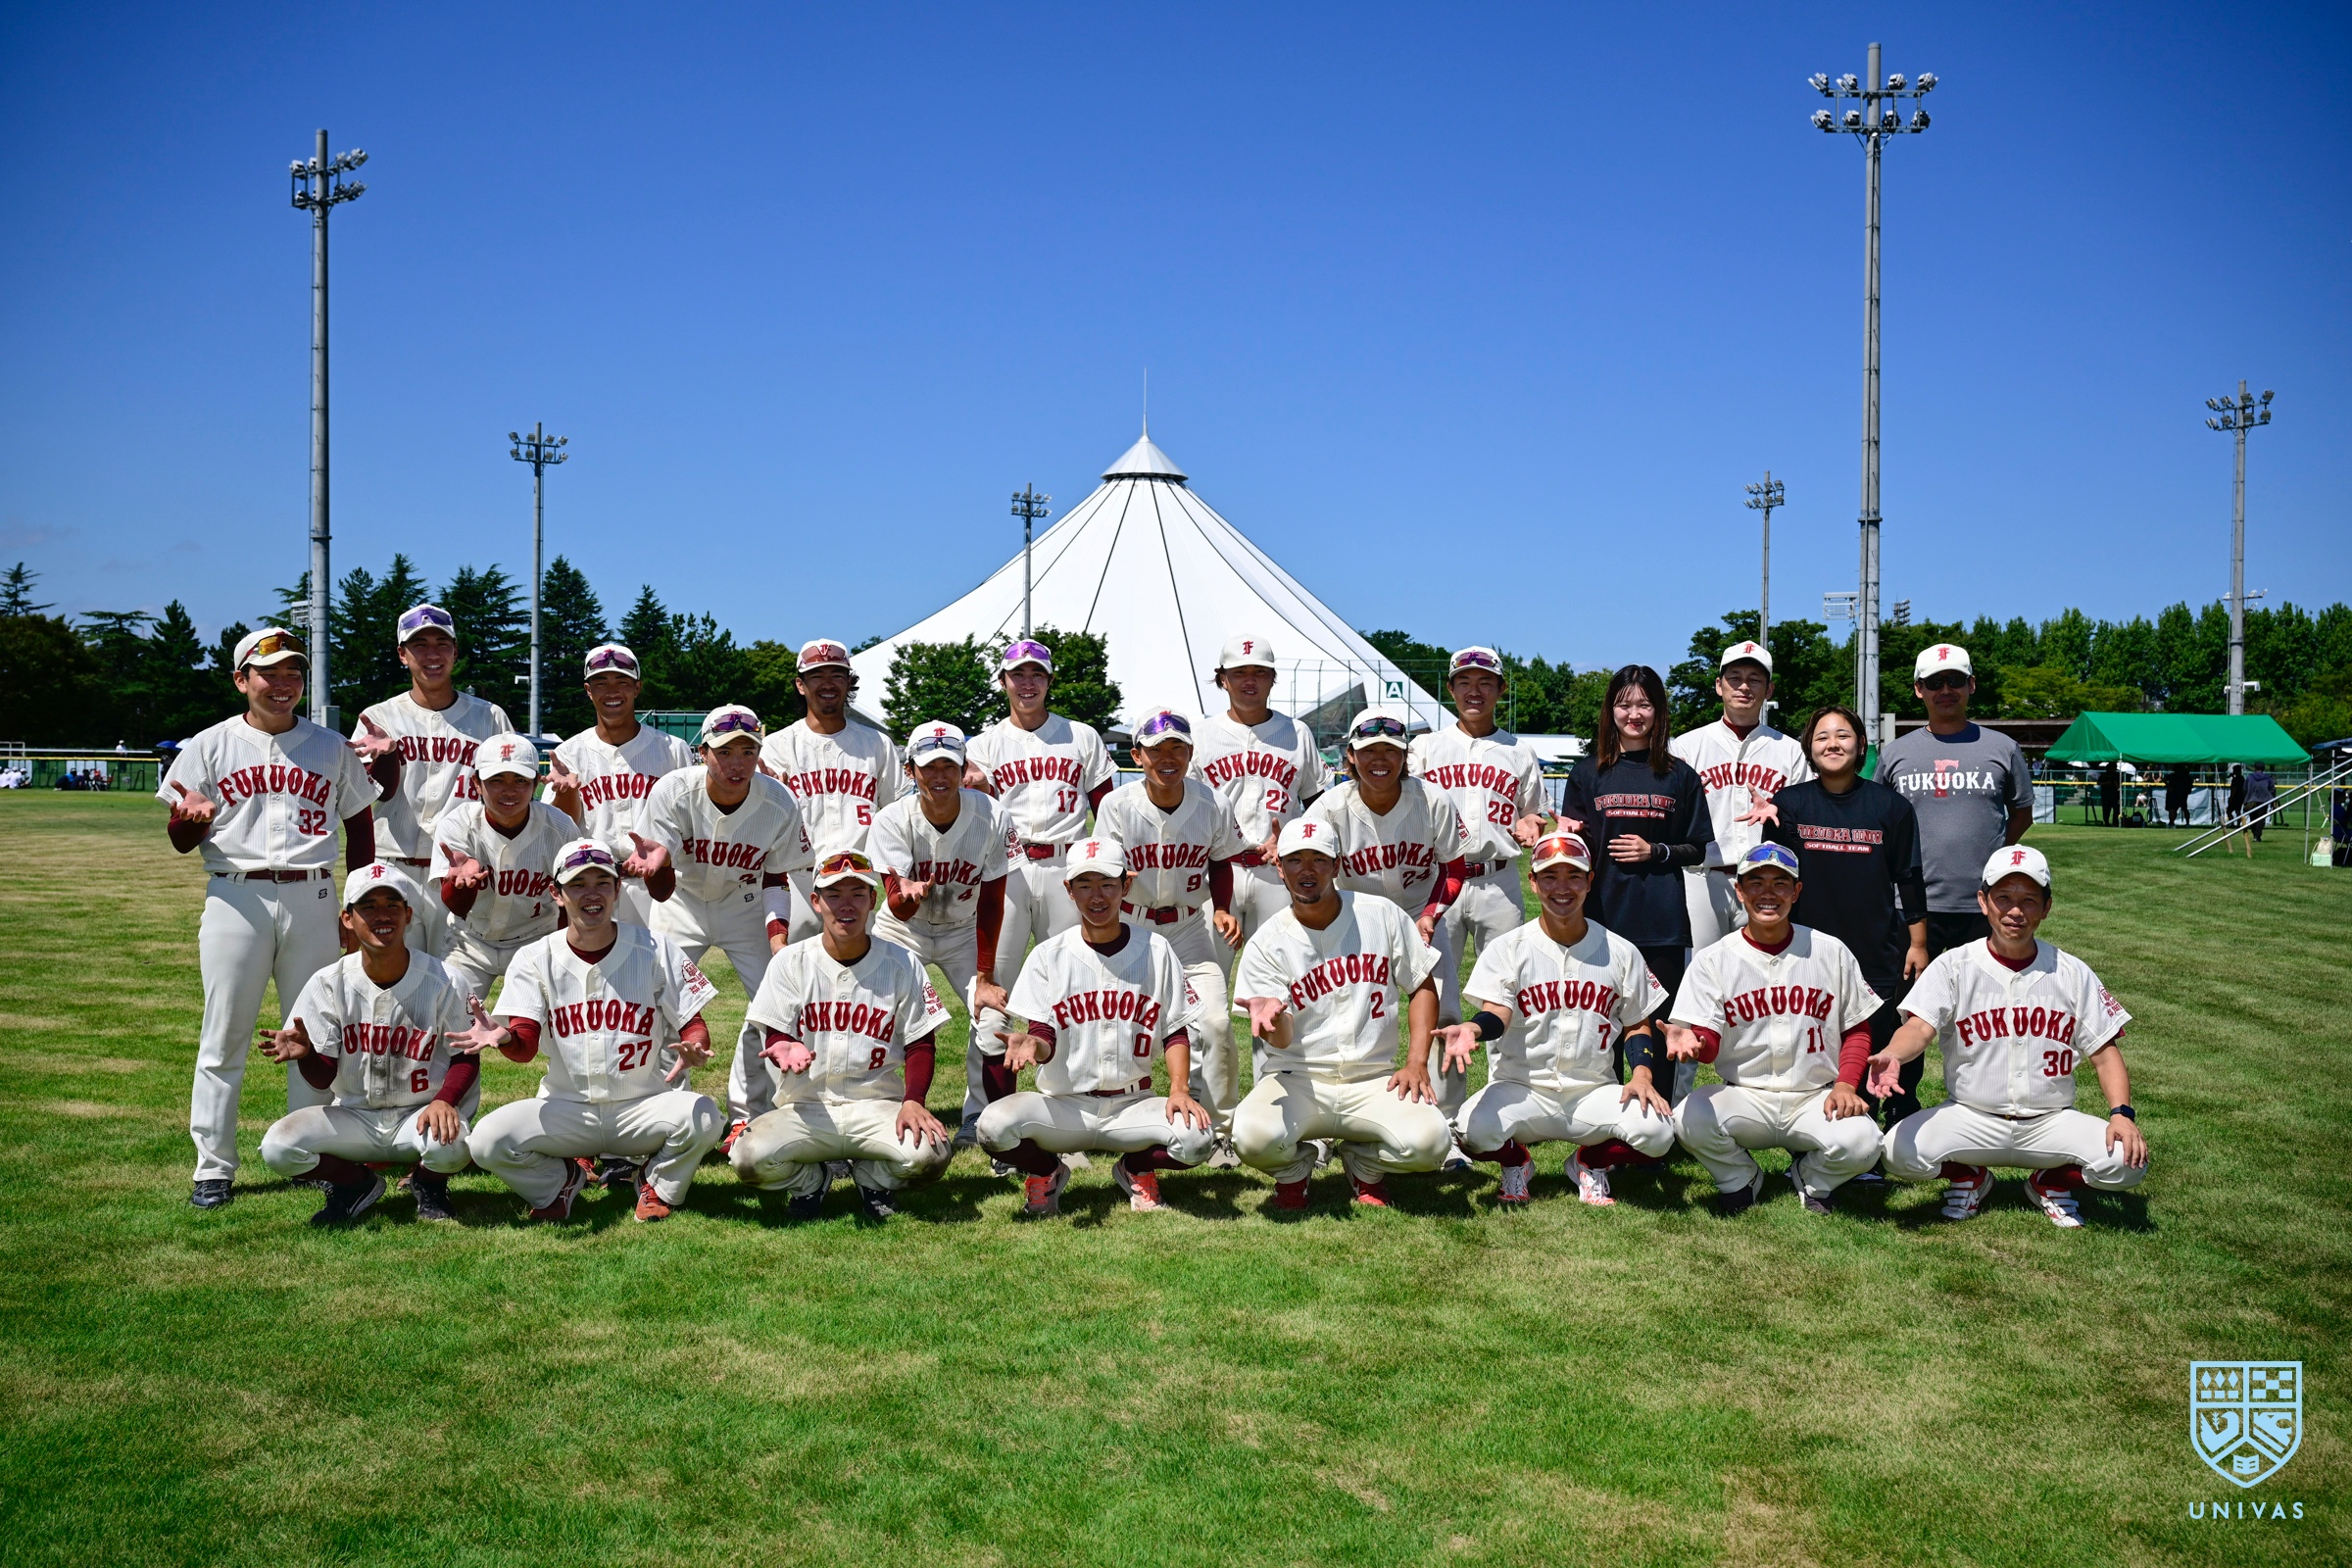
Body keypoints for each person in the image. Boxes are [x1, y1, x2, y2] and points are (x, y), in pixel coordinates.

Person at [159, 627, 378, 1210]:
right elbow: (180, 839)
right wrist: (189, 821)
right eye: (268, 673)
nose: (282, 684)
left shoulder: (331, 746)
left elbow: (360, 827)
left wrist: (356, 904)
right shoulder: (207, 746)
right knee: (224, 1033)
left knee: (313, 1032)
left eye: (292, 673)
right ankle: (213, 1167)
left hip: (313, 896)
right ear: (242, 680)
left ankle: (309, 1153)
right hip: (236, 896)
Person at [1870, 845, 2149, 1227]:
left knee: (2128, 1162)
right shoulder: (1954, 965)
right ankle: (1970, 1175)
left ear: (2046, 907)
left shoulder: (2072, 972)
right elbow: (1919, 1027)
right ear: (1983, 902)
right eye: (2003, 898)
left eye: (2028, 900)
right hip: (1971, 1117)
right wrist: (1893, 1054)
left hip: (2050, 1121)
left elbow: (2105, 1053)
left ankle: (2050, 1181)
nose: (2015, 911)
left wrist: (2122, 1115)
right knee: (1894, 1150)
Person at [456, 839, 724, 1223]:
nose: (592, 894)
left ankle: (656, 1182)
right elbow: (525, 1046)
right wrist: (507, 1037)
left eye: (602, 883)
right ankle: (559, 1183)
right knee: (486, 1140)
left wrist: (695, 1047)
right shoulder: (534, 957)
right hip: (567, 1108)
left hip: (641, 1107)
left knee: (705, 1117)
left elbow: (693, 1025)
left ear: (618, 889)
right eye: (578, 884)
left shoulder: (655, 947)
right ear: (557, 894)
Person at [1436, 832, 1675, 1207]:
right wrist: (1474, 1028)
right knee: (1470, 1132)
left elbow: (1636, 1024)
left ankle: (1589, 1161)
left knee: (1659, 1133)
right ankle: (1516, 1161)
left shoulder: (1620, 950)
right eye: (1549, 876)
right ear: (1532, 882)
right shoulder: (1508, 948)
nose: (1562, 888)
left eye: (1573, 876)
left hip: (1592, 1090)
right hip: (1522, 1087)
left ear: (1590, 881)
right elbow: (1498, 1012)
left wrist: (1642, 1075)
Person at [982, 837, 1215, 1216]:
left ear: (1126, 885)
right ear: (1068, 890)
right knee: (992, 1127)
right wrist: (1035, 1045)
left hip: (1132, 1105)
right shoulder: (1047, 955)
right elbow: (1044, 1035)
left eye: (1107, 883)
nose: (1097, 896)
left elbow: (1175, 1030)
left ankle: (1135, 1167)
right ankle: (1047, 1171)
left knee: (1198, 1140)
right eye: (1085, 885)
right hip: (1064, 1106)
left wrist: (1179, 1089)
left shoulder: (1157, 950)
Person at [1229, 817, 1453, 1211]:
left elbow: (1421, 984)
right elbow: (1281, 1038)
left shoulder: (1380, 914)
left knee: (1431, 1143)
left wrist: (1416, 1063)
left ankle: (1364, 1163)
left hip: (1374, 1079)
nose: (1307, 870)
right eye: (1295, 860)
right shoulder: (1266, 943)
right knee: (1250, 1137)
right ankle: (1294, 1172)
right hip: (1298, 1080)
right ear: (1279, 867)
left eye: (1319, 859)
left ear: (1337, 865)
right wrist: (1274, 1021)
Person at [730, 847, 955, 1220]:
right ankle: (810, 1182)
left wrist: (914, 1100)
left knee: (932, 1154)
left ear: (872, 901)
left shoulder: (902, 962)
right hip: (806, 1107)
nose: (845, 905)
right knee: (747, 1157)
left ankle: (873, 1177)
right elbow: (776, 1033)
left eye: (857, 894)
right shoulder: (789, 961)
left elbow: (920, 1042)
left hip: (878, 1104)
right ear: (816, 902)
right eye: (833, 894)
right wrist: (780, 1042)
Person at [1664, 844, 1885, 1216]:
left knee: (1865, 1142)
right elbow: (1709, 1040)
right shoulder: (1713, 959)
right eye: (1756, 883)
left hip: (1816, 1096)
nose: (1768, 893)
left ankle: (1813, 1179)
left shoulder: (1830, 951)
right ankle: (1739, 1178)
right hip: (1745, 1095)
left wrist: (1847, 1085)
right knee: (1689, 1118)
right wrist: (1696, 1042)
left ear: (1796, 892)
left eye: (1780, 883)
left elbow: (1857, 1030)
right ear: (1739, 890)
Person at [256, 862, 478, 1226]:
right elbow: (321, 1078)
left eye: (392, 905)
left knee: (452, 1145)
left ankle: (429, 1184)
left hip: (420, 1114)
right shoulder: (328, 983)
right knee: (279, 1147)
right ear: (347, 918)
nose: (382, 916)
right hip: (354, 1114)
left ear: (408, 915)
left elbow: (465, 1055)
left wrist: (444, 1101)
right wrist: (308, 1055)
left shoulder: (445, 979)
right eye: (368, 907)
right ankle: (355, 1184)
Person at [632, 705, 812, 1135]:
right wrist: (659, 867)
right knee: (653, 999)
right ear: (703, 753)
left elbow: (776, 875)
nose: (737, 763)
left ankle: (748, 1115)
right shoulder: (674, 790)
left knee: (776, 1004)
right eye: (725, 751)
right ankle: (665, 1111)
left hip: (744, 902)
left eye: (748, 751)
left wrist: (778, 937)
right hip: (681, 902)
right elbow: (660, 886)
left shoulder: (778, 800)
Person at [1757, 705, 1930, 1140]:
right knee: (1811, 1039)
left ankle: (1870, 1130)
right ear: (1809, 748)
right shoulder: (1789, 804)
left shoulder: (1891, 806)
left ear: (1861, 745)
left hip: (1872, 944)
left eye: (1843, 735)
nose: (1832, 744)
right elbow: (1773, 882)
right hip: (1805, 947)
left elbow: (1909, 878)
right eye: (1822, 737)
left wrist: (1917, 943)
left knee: (1872, 1035)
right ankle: (1810, 1133)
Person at [967, 639, 1116, 1119]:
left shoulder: (1081, 736)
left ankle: (1073, 1103)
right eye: (1018, 674)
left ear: (1050, 681)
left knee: (1074, 983)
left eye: (1036, 674)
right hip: (1007, 868)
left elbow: (1106, 809)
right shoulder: (984, 745)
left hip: (1066, 866)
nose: (1027, 683)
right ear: (1003, 682)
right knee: (993, 986)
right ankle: (984, 1111)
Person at [1090, 710, 1250, 1139]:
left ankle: (1220, 1129)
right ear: (1137, 756)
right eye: (1156, 750)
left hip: (1188, 927)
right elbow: (1103, 868)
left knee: (1215, 1023)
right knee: (1109, 1023)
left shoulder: (1213, 802)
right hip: (1130, 924)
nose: (1168, 758)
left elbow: (1221, 860)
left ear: (1191, 753)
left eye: (1177, 748)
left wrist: (1221, 907)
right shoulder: (1116, 805)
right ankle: (1099, 1117)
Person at [1558, 664, 1712, 1098]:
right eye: (1624, 704)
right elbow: (1575, 846)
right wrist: (1568, 834)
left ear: (1658, 710)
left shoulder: (1679, 775)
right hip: (1601, 917)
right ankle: (1602, 1113)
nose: (1634, 714)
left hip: (1661, 921)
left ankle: (1657, 1120)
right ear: (1610, 711)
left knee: (1659, 1026)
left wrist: (1655, 851)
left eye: (1644, 704)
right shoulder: (1588, 773)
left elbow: (1698, 848)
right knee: (1601, 1024)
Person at [1407, 646, 1549, 1112]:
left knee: (1506, 990)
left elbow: (1533, 812)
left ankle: (1501, 1105)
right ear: (1450, 690)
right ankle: (1442, 1110)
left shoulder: (1519, 750)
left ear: (1500, 689)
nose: (1475, 690)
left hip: (1498, 880)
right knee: (1439, 993)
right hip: (1438, 880)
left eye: (1485, 682)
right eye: (1464, 682)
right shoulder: (1425, 748)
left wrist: (1532, 822)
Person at [866, 721, 1009, 1148]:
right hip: (902, 929)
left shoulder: (991, 814)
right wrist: (906, 897)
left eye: (949, 766)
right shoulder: (892, 818)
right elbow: (896, 905)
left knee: (994, 1017)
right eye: (929, 767)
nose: (940, 776)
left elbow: (993, 900)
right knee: (870, 1017)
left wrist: (985, 976)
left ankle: (985, 1121)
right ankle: (874, 1113)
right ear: (911, 771)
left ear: (964, 769)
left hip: (964, 930)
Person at [351, 603, 515, 958]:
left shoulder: (490, 717)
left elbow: (512, 796)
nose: (432, 655)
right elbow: (361, 800)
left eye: (441, 644)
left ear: (455, 651)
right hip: (394, 867)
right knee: (395, 977)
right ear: (402, 654)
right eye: (419, 645)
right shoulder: (378, 718)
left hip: (461, 872)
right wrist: (384, 760)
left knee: (456, 979)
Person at [1874, 645, 2033, 959]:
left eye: (1955, 680)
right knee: (1911, 991)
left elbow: (2022, 814)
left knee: (1980, 990)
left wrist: (1994, 856)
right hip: (1912, 904)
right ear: (1919, 689)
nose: (1945, 690)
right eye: (1935, 683)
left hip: (1983, 901)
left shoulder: (2003, 748)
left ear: (1971, 685)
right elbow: (1877, 821)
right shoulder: (1894, 753)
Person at [1189, 632, 1330, 965]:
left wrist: (1296, 841)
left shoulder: (1297, 733)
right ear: (1223, 679)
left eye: (1260, 672)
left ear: (1272, 678)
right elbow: (1185, 807)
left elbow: (1320, 804)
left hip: (1277, 873)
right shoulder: (1199, 734)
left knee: (1281, 972)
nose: (1249, 681)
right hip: (1217, 870)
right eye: (1239, 672)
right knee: (1208, 974)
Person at [1669, 639, 1813, 956]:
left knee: (1763, 967)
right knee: (1699, 967)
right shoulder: (1687, 747)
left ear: (1769, 689)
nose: (1744, 686)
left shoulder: (1791, 751)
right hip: (1702, 878)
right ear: (1719, 686)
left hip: (1767, 880)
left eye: (1754, 679)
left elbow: (1807, 818)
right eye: (1734, 678)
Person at [759, 638, 905, 941]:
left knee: (864, 968)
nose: (828, 683)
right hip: (799, 880)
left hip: (860, 877)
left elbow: (899, 816)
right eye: (816, 675)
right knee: (792, 966)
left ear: (849, 682)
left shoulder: (878, 744)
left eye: (837, 675)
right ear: (800, 685)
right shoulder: (775, 747)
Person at [543, 644, 694, 925]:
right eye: (601, 683)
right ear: (588, 691)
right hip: (593, 882)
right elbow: (559, 830)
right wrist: (567, 794)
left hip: (658, 884)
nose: (612, 692)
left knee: (660, 955)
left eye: (622, 682)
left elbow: (691, 822)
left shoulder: (673, 749)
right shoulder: (569, 753)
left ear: (637, 688)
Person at [427, 733, 575, 1007]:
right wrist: (462, 886)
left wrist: (564, 949)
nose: (509, 791)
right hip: (469, 941)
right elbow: (455, 906)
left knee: (552, 1017)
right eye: (496, 780)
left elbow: (571, 899)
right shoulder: (458, 825)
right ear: (477, 783)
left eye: (520, 780)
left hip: (536, 938)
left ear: (535, 783)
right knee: (449, 1013)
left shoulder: (560, 827)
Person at [2227, 764, 2251, 858]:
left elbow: (2234, 789)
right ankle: (2237, 824)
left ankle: (2233, 823)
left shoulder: (2236, 780)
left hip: (2235, 797)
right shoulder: (2242, 778)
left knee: (2229, 811)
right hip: (2240, 797)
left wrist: (2231, 798)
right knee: (2237, 811)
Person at [2247, 765, 2276, 844]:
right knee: (2261, 819)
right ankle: (2257, 836)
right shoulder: (2268, 778)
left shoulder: (2250, 777)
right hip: (2263, 800)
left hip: (2252, 800)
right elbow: (2272, 789)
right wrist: (2273, 801)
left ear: (2255, 768)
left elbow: (2245, 788)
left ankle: (2255, 834)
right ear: (2263, 769)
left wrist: (2245, 799)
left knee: (2253, 818)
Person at [2165, 762, 2193, 828]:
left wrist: (2168, 786)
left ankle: (2171, 823)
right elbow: (2191, 785)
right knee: (2183, 809)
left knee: (2173, 809)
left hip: (2175, 794)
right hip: (2181, 794)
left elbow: (2164, 779)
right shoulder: (2186, 776)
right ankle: (2187, 824)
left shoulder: (2175, 776)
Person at [2098, 760, 2122, 828]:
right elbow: (2098, 783)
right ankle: (2106, 822)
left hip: (2114, 795)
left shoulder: (2117, 775)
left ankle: (2115, 822)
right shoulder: (2104, 775)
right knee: (2106, 809)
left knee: (2116, 810)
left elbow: (2118, 785)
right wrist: (2107, 783)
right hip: (2106, 794)